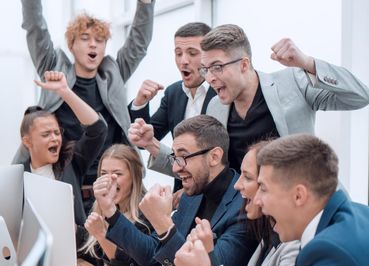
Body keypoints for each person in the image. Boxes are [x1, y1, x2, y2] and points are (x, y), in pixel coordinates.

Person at [174, 134, 369, 266]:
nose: (257, 200)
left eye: (264, 189)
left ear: (298, 196)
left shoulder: (331, 253)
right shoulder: (353, 216)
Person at [133, 24, 369, 177]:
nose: (210, 78)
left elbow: (359, 96)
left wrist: (307, 63)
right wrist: (152, 145)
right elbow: (202, 168)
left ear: (244, 64)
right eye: (206, 70)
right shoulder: (216, 108)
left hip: (300, 209)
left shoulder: (293, 83)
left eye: (217, 68)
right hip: (246, 219)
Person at [93, 115, 256, 266]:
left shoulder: (243, 209)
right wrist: (111, 212)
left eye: (183, 157)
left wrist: (162, 224)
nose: (176, 168)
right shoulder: (192, 194)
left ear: (214, 156)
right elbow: (148, 254)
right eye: (174, 157)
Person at [16, 0, 155, 210]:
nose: (93, 45)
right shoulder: (54, 69)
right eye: (85, 38)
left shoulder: (113, 73)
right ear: (71, 44)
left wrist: (145, 4)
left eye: (100, 40)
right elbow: (36, 28)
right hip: (65, 181)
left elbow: (139, 44)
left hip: (111, 185)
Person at [189, 140, 299, 266]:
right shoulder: (266, 235)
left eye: (248, 178)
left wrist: (209, 259)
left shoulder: (294, 248)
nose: (237, 185)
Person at [18, 71, 107, 247]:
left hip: (76, 253)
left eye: (57, 132)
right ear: (27, 141)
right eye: (46, 134)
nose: (55, 138)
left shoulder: (71, 162)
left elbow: (98, 130)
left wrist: (64, 91)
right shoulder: (17, 176)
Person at [129, 22, 215, 191]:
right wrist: (140, 103)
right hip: (183, 193)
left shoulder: (222, 92)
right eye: (178, 53)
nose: (183, 61)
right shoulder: (173, 93)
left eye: (192, 53)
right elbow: (143, 141)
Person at [80, 144, 167, 266]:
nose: (109, 179)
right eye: (104, 173)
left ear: (134, 177)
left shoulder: (148, 214)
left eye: (117, 174)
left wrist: (102, 236)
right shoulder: (97, 208)